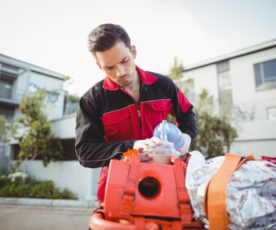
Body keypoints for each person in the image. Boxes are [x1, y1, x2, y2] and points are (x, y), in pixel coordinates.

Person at [75, 23, 197, 205]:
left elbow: (187, 115)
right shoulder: (92, 101)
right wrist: (133, 147)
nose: (120, 72)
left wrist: (186, 138)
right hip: (117, 188)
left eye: (124, 61)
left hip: (165, 182)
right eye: (109, 67)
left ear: (133, 51)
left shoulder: (164, 85)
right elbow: (85, 152)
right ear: (99, 66)